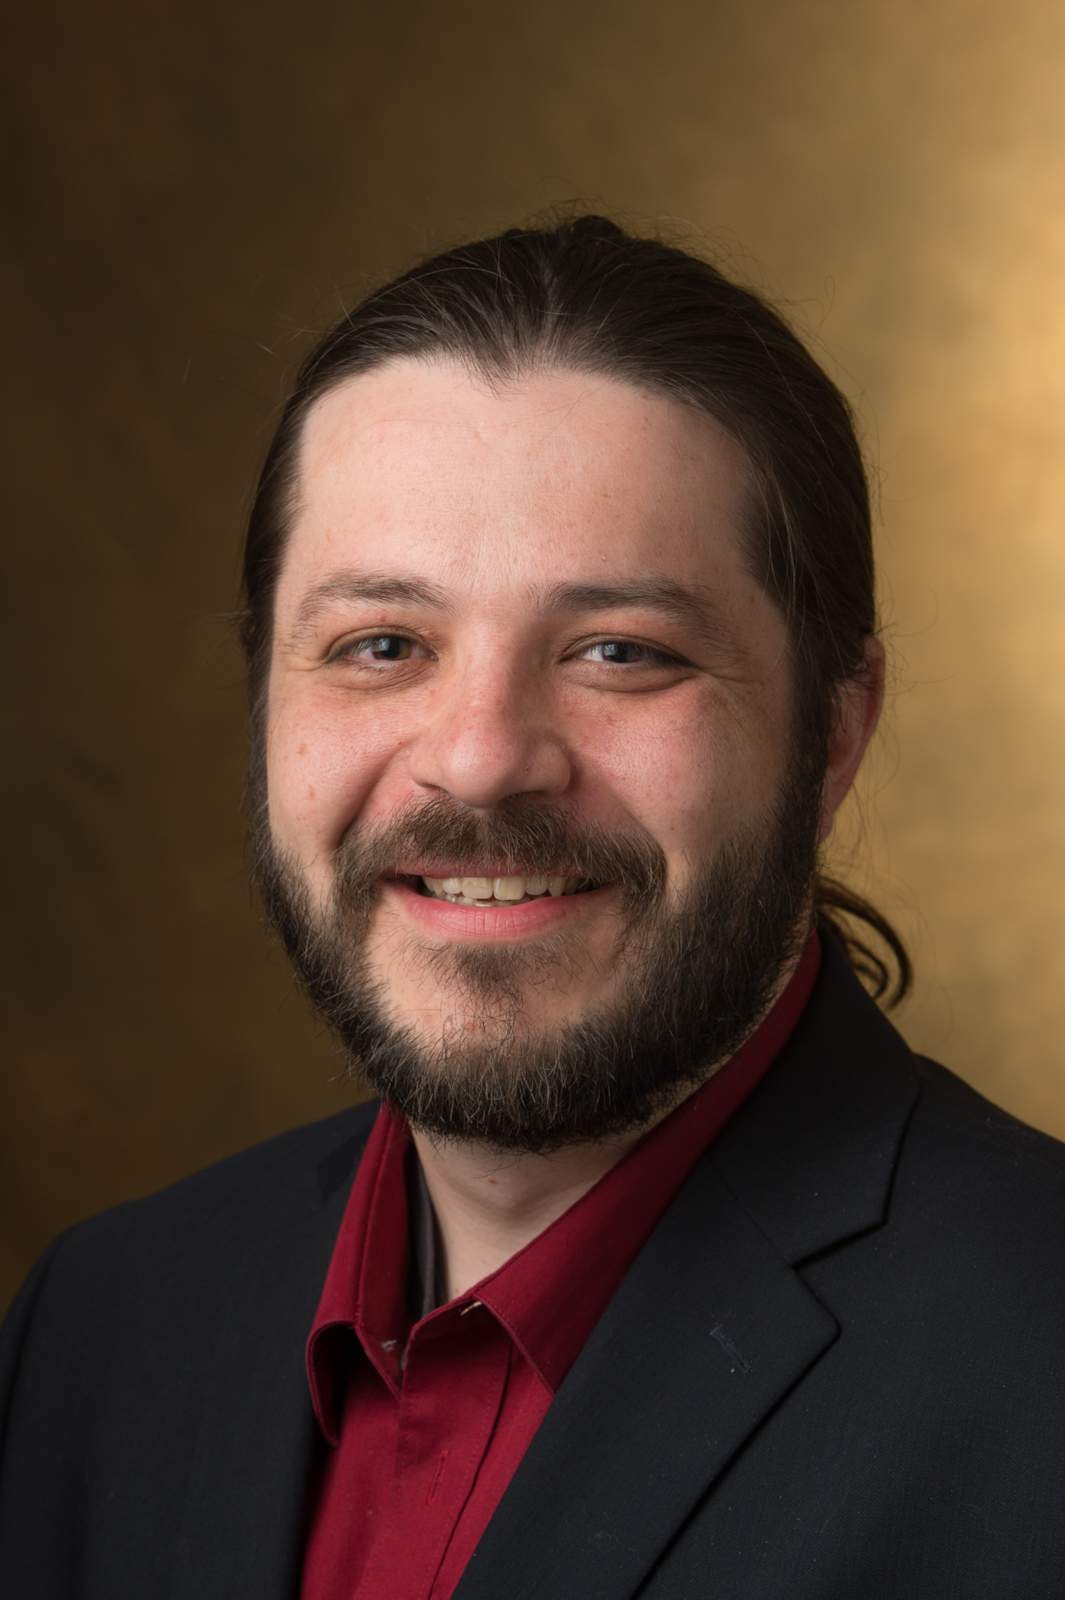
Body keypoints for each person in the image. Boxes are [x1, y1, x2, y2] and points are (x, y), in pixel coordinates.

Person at [2, 214, 1064, 1600]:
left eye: (619, 652)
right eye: (382, 644)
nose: (481, 757)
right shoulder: (97, 1330)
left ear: (833, 733)